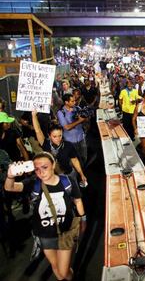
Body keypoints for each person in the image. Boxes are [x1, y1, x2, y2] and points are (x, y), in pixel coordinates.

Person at [4, 152, 86, 281]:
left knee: (64, 271)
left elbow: (77, 200)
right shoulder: (33, 183)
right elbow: (10, 188)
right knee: (55, 266)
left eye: (45, 167)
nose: (41, 172)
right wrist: (10, 175)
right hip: (44, 234)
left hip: (66, 232)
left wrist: (83, 219)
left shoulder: (67, 182)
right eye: (37, 169)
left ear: (53, 165)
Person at [32, 110, 87, 188]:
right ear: (49, 136)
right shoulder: (46, 144)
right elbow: (38, 131)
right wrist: (33, 115)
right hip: (53, 177)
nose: (58, 138)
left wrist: (81, 174)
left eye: (60, 135)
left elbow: (74, 160)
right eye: (54, 136)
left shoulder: (68, 145)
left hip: (68, 175)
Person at [57, 94, 88, 165]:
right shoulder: (61, 112)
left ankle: (84, 169)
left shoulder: (77, 108)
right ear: (66, 102)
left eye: (75, 101)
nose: (75, 102)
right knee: (75, 159)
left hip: (81, 137)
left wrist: (86, 118)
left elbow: (85, 120)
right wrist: (79, 121)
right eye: (72, 101)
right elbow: (66, 127)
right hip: (70, 141)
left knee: (84, 157)